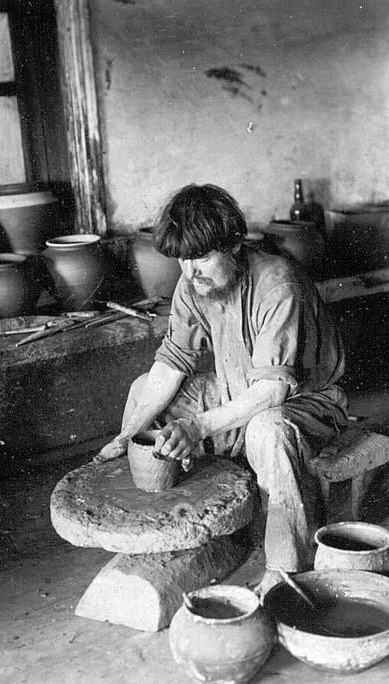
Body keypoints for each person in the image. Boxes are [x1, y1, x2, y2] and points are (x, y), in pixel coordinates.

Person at [95, 184, 348, 594]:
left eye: (202, 257)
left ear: (233, 245)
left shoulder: (277, 284)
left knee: (266, 429)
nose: (191, 271)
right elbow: (171, 363)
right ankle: (169, 526)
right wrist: (127, 435)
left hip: (307, 401)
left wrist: (197, 427)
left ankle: (287, 568)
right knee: (144, 389)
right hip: (234, 389)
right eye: (183, 259)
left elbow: (271, 393)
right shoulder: (192, 284)